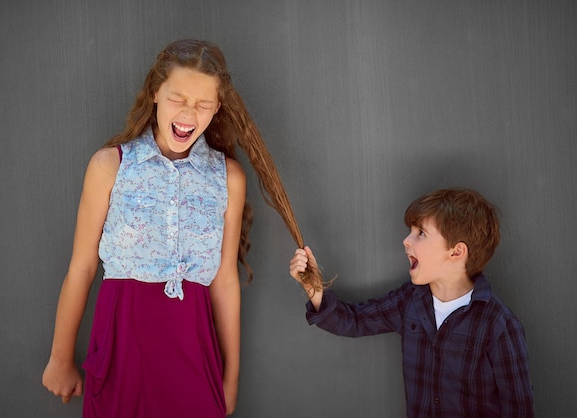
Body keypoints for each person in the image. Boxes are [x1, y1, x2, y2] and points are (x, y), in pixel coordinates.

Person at [42, 39, 312, 418]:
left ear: (217, 108)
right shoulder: (109, 166)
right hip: (121, 348)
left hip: (193, 350)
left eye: (203, 103)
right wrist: (60, 357)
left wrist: (231, 376)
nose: (189, 113)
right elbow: (82, 267)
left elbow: (224, 282)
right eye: (177, 98)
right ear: (155, 93)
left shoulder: (228, 178)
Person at [289, 188, 535, 417]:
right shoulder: (410, 301)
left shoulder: (498, 324)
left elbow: (518, 409)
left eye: (421, 233)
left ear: (456, 252)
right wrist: (314, 288)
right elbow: (353, 321)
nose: (406, 241)